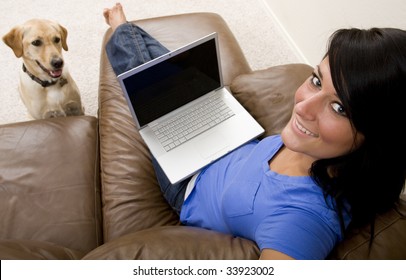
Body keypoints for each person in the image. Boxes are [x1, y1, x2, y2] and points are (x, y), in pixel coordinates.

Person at [103, 3, 406, 259]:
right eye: (316, 80)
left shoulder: (306, 220)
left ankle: (121, 28)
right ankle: (132, 37)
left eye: (339, 108)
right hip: (236, 143)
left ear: (377, 134)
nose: (302, 107)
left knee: (145, 77)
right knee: (177, 74)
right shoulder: (320, 146)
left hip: (189, 181)